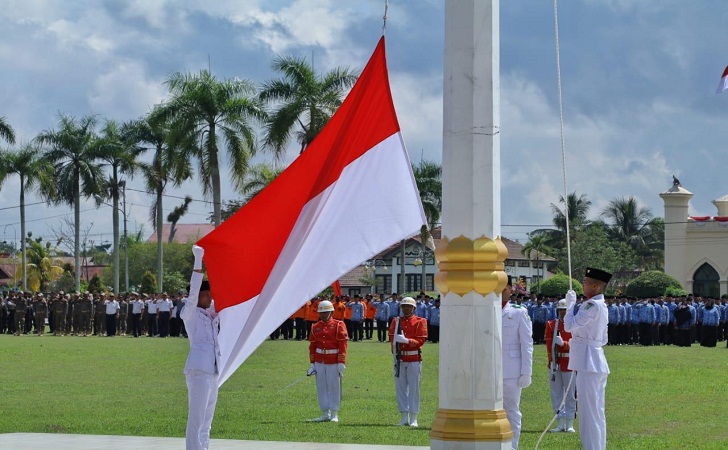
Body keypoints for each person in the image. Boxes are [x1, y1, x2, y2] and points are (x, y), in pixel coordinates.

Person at [564, 267, 611, 450]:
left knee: (589, 412)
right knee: (595, 412)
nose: (582, 285)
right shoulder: (601, 305)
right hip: (594, 359)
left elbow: (569, 327)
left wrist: (569, 306)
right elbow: (604, 338)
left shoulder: (591, 305)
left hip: (588, 362)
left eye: (585, 282)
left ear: (595, 285)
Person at [182, 245, 221, 450]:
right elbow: (194, 289)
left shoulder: (212, 315)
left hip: (213, 371)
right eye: (208, 294)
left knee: (207, 421)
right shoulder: (190, 314)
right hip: (198, 372)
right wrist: (199, 260)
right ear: (200, 296)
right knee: (196, 420)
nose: (211, 297)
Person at [501, 275, 533, 450]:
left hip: (512, 371)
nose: (501, 291)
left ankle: (512, 446)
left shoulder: (519, 312)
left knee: (511, 410)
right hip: (490, 370)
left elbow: (526, 344)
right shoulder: (486, 310)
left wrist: (526, 372)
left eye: (504, 288)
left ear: (511, 290)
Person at [389, 296, 428, 427]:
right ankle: (404, 416)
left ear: (414, 308)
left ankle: (414, 417)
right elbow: (392, 339)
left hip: (413, 358)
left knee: (414, 388)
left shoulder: (420, 321)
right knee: (400, 388)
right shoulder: (396, 321)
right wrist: (395, 352)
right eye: (404, 306)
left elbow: (420, 341)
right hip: (400, 358)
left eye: (409, 306)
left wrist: (406, 341)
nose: (406, 308)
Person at [307, 299, 348, 423]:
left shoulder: (338, 325)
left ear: (331, 312)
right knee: (321, 387)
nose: (323, 315)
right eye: (321, 313)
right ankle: (325, 413)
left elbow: (343, 344)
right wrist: (312, 364)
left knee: (334, 386)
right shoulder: (315, 327)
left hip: (333, 360)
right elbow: (312, 346)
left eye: (326, 313)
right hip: (320, 361)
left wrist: (341, 361)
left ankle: (334, 413)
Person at [545, 299, 576, 433]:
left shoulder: (574, 325)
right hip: (556, 363)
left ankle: (569, 423)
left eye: (565, 310)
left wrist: (564, 344)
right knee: (556, 394)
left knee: (570, 395)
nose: (562, 312)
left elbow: (576, 345)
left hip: (570, 363)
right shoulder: (552, 325)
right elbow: (549, 346)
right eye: (561, 310)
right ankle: (560, 422)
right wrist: (551, 361)